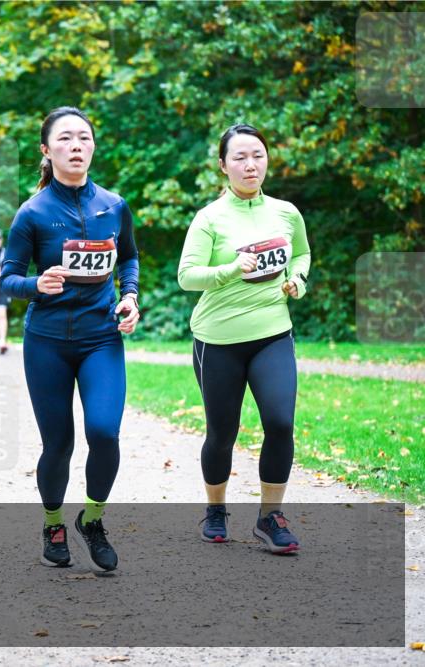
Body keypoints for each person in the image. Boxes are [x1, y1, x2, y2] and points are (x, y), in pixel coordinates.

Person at [1, 107, 140, 571]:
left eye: (84, 138)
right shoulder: (32, 213)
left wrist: (131, 297)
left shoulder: (114, 205)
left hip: (101, 337)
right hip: (47, 344)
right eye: (65, 139)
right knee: (57, 444)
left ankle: (93, 519)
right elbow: (6, 279)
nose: (76, 145)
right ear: (47, 150)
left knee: (104, 432)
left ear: (93, 147)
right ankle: (53, 522)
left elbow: (129, 260)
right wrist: (35, 285)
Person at [177, 123, 311, 554]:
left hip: (273, 333)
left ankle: (270, 517)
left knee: (280, 422)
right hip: (217, 341)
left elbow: (303, 253)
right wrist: (233, 269)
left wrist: (298, 279)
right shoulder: (209, 218)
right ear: (223, 166)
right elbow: (187, 277)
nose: (250, 164)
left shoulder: (286, 213)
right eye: (239, 157)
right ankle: (215, 510)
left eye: (257, 155)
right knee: (222, 432)